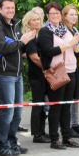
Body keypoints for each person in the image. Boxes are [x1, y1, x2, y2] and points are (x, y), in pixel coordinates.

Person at [0, 0, 35, 156]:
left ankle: (12, 142)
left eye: (12, 7)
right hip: (3, 74)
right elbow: (1, 48)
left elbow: (17, 47)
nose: (10, 10)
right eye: (7, 7)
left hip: (17, 73)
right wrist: (22, 41)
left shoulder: (15, 24)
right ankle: (2, 145)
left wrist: (25, 42)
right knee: (7, 111)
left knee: (17, 112)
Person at [37, 2, 79, 150]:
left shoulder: (67, 29)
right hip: (56, 71)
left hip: (71, 69)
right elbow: (49, 51)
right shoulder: (45, 31)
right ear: (48, 16)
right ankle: (55, 139)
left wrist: (76, 45)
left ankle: (67, 137)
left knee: (67, 106)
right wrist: (70, 44)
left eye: (57, 13)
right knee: (56, 106)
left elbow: (77, 51)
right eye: (52, 13)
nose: (55, 16)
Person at [22, 10, 50, 143]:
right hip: (36, 75)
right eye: (34, 20)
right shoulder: (30, 37)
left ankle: (43, 131)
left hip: (45, 75)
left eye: (38, 19)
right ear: (28, 22)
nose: (37, 22)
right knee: (38, 104)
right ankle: (37, 134)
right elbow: (34, 57)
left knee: (44, 105)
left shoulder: (42, 35)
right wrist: (47, 68)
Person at [63, 4, 79, 137]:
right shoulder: (62, 30)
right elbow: (70, 47)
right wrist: (75, 44)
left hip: (76, 66)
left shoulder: (74, 29)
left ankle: (75, 123)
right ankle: (67, 127)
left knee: (76, 96)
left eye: (75, 14)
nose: (74, 17)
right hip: (66, 67)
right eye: (71, 14)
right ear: (65, 16)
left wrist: (76, 45)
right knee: (67, 99)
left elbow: (78, 51)